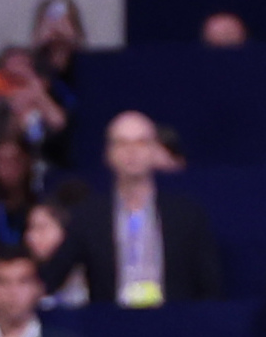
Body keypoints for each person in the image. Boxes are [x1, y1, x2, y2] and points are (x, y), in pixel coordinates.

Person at [90, 107, 228, 305]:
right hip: (109, 323)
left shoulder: (187, 215)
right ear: (108, 153)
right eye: (122, 143)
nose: (132, 152)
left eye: (141, 143)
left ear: (154, 150)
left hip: (172, 323)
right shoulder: (89, 216)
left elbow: (210, 287)